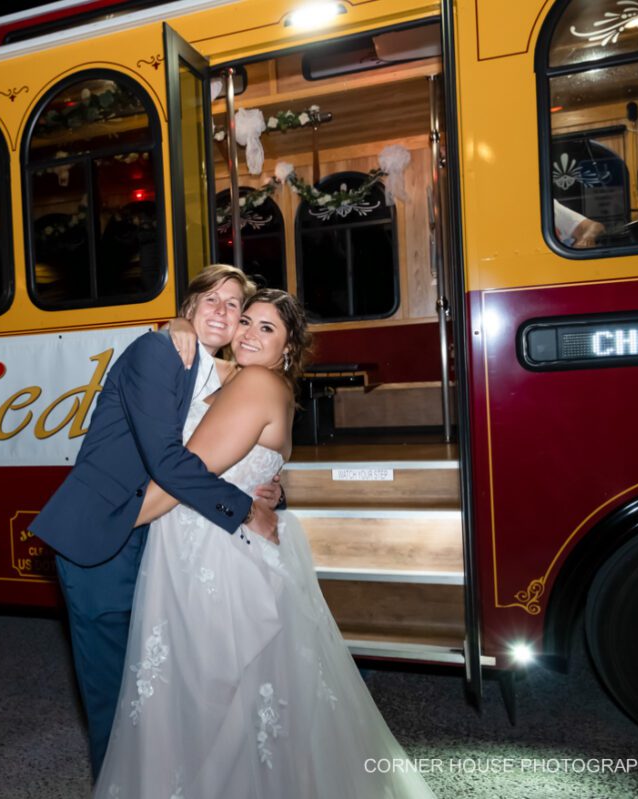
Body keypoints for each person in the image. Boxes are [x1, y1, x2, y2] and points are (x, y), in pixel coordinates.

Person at [95, 290, 436, 798]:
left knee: (213, 698)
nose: (250, 333)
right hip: (204, 542)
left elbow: (179, 476)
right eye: (246, 321)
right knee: (227, 701)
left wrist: (107, 529)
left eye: (268, 329)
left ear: (288, 350)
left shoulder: (255, 381)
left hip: (215, 554)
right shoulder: (229, 379)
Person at [30, 264, 282, 777]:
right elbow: (168, 460)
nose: (221, 309)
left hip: (159, 544)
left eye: (233, 304)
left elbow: (244, 444)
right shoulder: (159, 350)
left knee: (156, 695)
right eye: (209, 298)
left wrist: (271, 487)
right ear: (187, 309)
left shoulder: (220, 376)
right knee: (116, 701)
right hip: (102, 539)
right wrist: (244, 510)